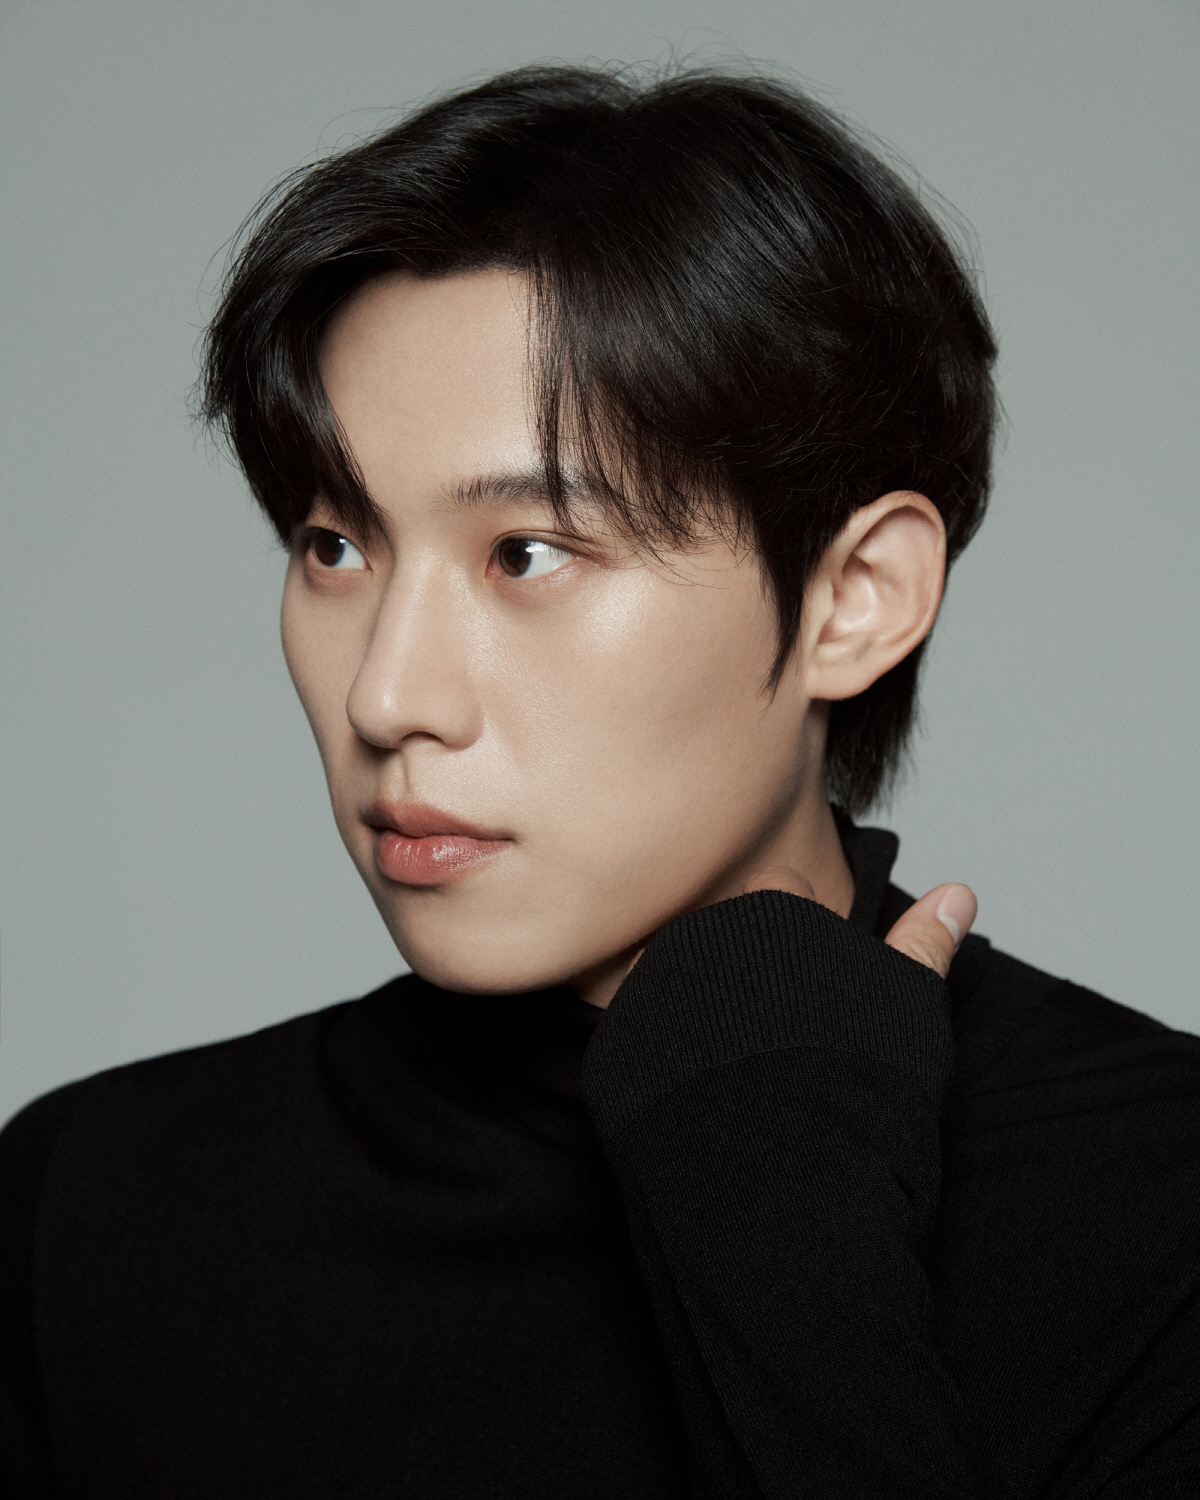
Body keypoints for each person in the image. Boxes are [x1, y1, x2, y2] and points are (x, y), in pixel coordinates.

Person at [3, 63, 1198, 1500]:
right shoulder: (96, 1204)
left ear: (856, 599)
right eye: (335, 546)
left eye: (526, 554)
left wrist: (784, 1227)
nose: (387, 695)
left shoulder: (1157, 1205)